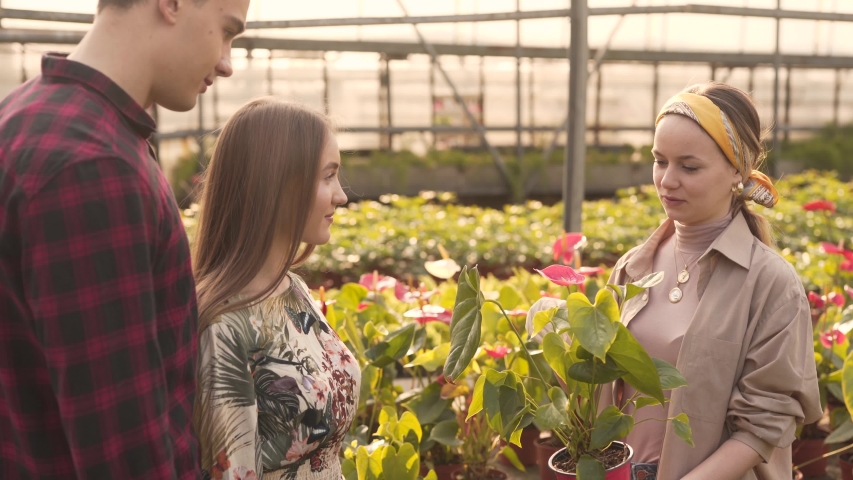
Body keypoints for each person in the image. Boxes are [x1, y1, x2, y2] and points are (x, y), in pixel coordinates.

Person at [0, 0, 249, 478]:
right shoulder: (92, 165)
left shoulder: (25, 116)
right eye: (226, 31)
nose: (226, 62)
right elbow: (124, 450)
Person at [528, 82, 821, 480]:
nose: (667, 181)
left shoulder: (771, 283)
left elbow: (763, 427)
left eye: (689, 166)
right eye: (659, 160)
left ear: (736, 170)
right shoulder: (633, 268)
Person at [192, 98, 359, 480]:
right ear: (279, 183)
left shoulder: (293, 290)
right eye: (327, 176)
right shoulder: (226, 326)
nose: (341, 196)